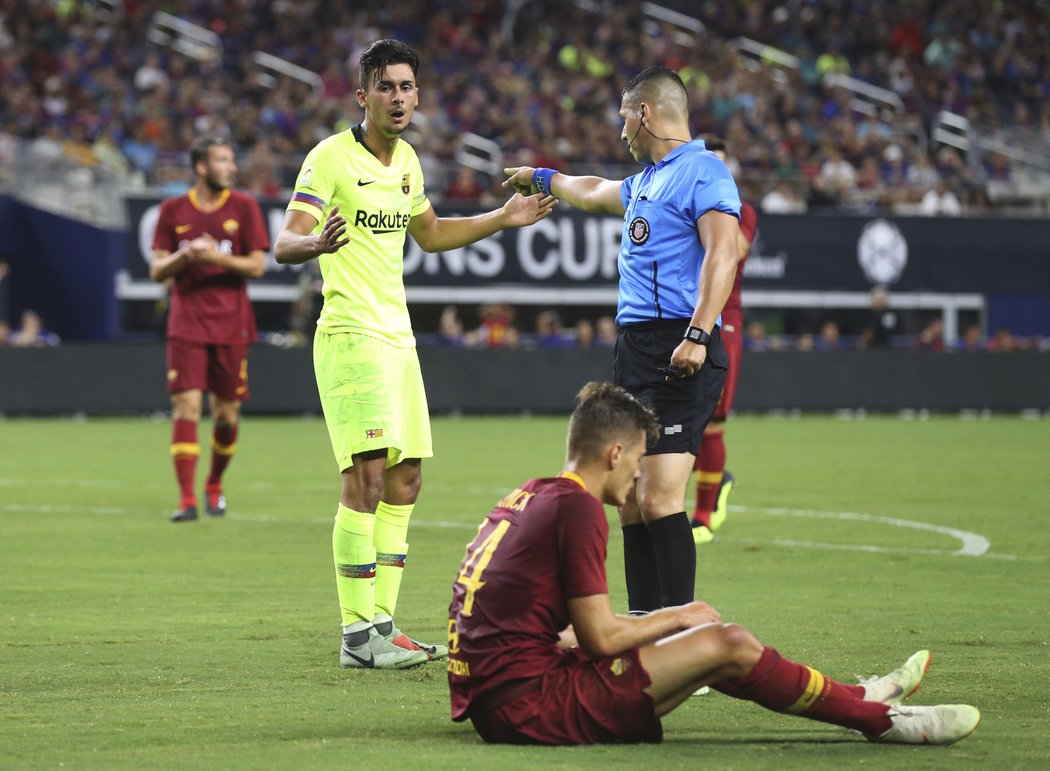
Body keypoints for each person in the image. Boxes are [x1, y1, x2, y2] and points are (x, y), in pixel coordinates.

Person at [446, 381, 981, 746]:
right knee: (723, 640)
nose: (637, 476)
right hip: (531, 707)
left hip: (503, 695)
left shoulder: (533, 494)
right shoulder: (578, 509)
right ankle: (879, 720)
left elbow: (554, 631)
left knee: (704, 645)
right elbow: (601, 642)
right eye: (636, 461)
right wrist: (679, 616)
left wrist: (656, 629)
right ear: (614, 454)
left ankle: (859, 698)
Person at [273, 39, 556, 670]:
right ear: (363, 95)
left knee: (406, 480)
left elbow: (429, 235)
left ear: (417, 95)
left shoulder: (408, 164)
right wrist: (315, 242)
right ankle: (355, 636)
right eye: (386, 87)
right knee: (365, 479)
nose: (398, 98)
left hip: (398, 340)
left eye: (407, 87)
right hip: (350, 336)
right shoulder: (329, 160)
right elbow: (283, 242)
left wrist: (501, 219)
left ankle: (384, 626)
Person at [505, 66, 740, 614]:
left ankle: (682, 638)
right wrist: (541, 177)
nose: (621, 133)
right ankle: (642, 628)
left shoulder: (705, 171)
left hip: (680, 345)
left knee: (659, 495)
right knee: (631, 499)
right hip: (635, 349)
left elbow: (722, 253)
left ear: (646, 114)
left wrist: (698, 333)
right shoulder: (647, 180)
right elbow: (591, 191)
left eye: (624, 119)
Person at [150, 136, 268, 523]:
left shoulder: (245, 207)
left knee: (226, 416)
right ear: (202, 167)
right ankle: (187, 500)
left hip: (232, 325)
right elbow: (156, 270)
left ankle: (214, 484)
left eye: (231, 160)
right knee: (185, 407)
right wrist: (185, 254)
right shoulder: (172, 210)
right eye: (222, 160)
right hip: (186, 323)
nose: (231, 167)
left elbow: (256, 266)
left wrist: (216, 257)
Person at [689, 136, 757, 545]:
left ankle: (702, 516)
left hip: (723, 318)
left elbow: (735, 248)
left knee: (713, 420)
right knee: (678, 419)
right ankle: (713, 484)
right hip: (681, 313)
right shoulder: (680, 203)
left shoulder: (741, 210)